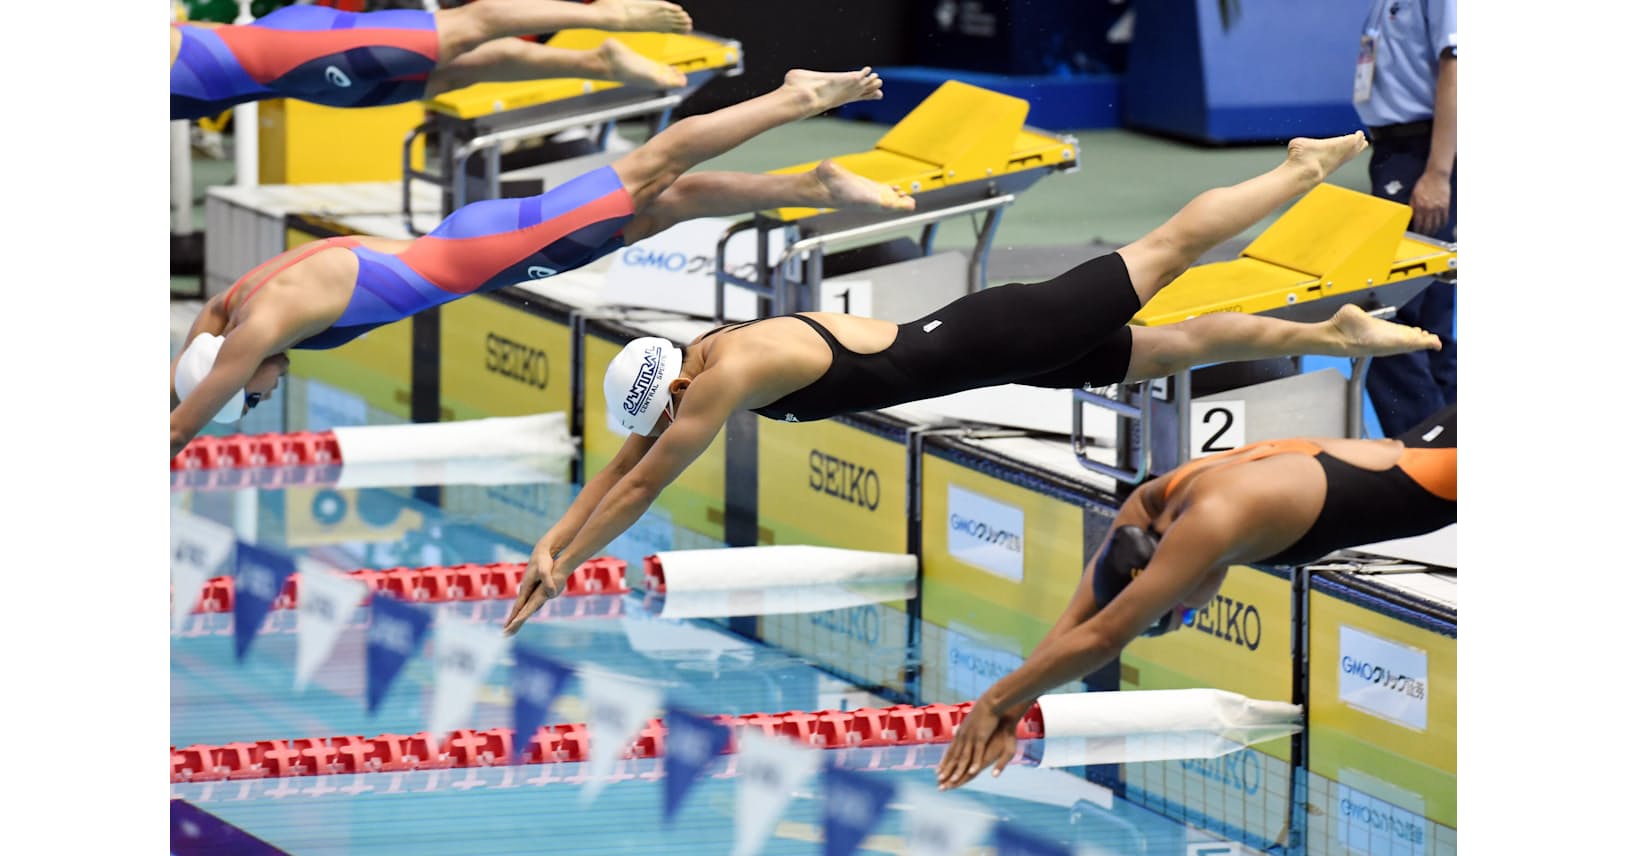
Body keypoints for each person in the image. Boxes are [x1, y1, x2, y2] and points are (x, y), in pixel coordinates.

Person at [500, 131, 1446, 637]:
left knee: (1164, 251)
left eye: (663, 418)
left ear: (671, 394)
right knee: (1168, 349)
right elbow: (632, 455)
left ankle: (1294, 171)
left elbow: (641, 480)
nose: (667, 428)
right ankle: (1332, 329)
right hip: (991, 348)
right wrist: (555, 536)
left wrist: (572, 555)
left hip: (1001, 332)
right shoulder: (699, 361)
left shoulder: (727, 375)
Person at [170, 67, 913, 457]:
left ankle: (796, 97)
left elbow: (188, 415)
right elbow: (203, 343)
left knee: (648, 170)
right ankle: (810, 185)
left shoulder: (260, 324)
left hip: (492, 253)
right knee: (662, 205)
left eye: (255, 394)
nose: (269, 387)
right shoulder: (239, 300)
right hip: (479, 245)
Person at [934, 403, 1456, 791]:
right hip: (1430, 448)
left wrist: (991, 703)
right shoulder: (1155, 499)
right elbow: (1081, 615)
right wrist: (1015, 706)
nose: (1189, 610)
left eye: (1179, 609)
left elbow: (1106, 634)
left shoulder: (1207, 525)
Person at [170, 0, 695, 121]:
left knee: (471, 24)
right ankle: (600, 62)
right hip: (278, 68)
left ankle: (610, 15)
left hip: (288, 52)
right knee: (460, 71)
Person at [1352, 0, 1456, 437]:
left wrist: (1437, 172)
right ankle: (1450, 452)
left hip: (1421, 155)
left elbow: (1458, 67)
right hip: (1396, 153)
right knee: (1426, 318)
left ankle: (1422, 455)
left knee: (1387, 314)